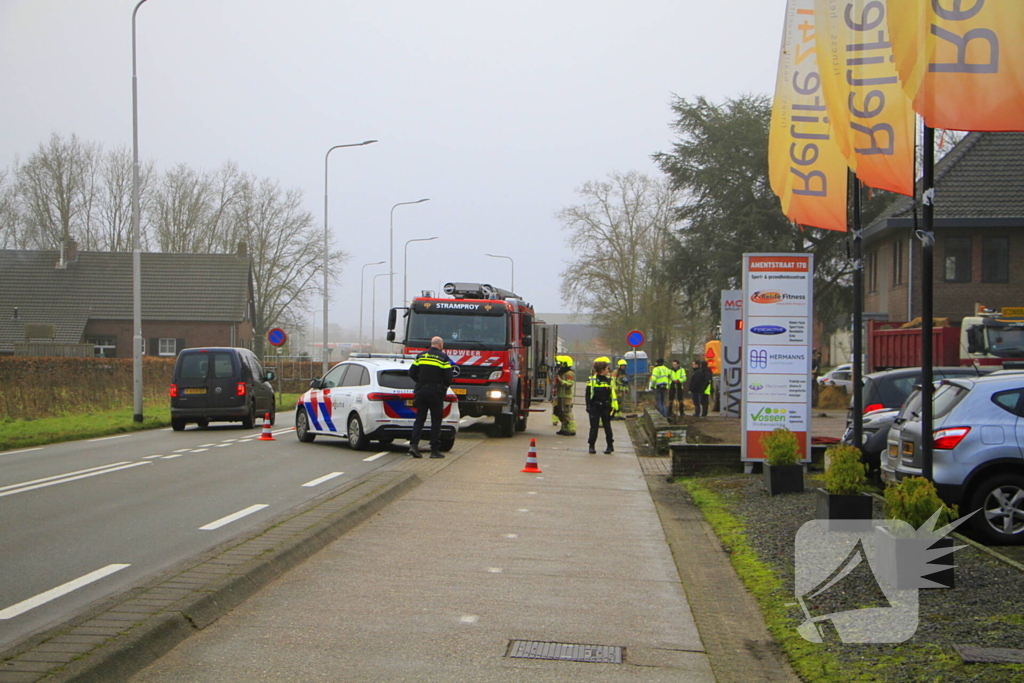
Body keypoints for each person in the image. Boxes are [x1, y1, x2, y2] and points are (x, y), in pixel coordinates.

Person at [408, 336, 454, 458]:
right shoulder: (443, 358)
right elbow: (449, 376)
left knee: (419, 419)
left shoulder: (421, 356)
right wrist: (443, 387)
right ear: (440, 345)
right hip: (435, 392)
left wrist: (420, 382)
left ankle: (413, 446)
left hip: (421, 391)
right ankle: (434, 450)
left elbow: (411, 372)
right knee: (436, 420)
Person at [585, 360, 617, 454]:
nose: (608, 370)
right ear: (602, 370)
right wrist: (588, 406)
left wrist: (614, 408)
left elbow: (613, 395)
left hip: (606, 406)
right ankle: (591, 446)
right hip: (595, 406)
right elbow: (588, 394)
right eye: (607, 368)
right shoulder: (592, 380)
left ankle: (610, 446)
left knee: (607, 426)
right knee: (594, 427)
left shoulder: (609, 380)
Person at [553, 355, 576, 436]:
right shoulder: (561, 373)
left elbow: (570, 383)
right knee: (560, 412)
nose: (559, 366)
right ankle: (564, 428)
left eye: (561, 364)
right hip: (560, 396)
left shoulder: (569, 373)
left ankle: (571, 429)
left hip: (566, 396)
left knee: (567, 412)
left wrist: (561, 381)